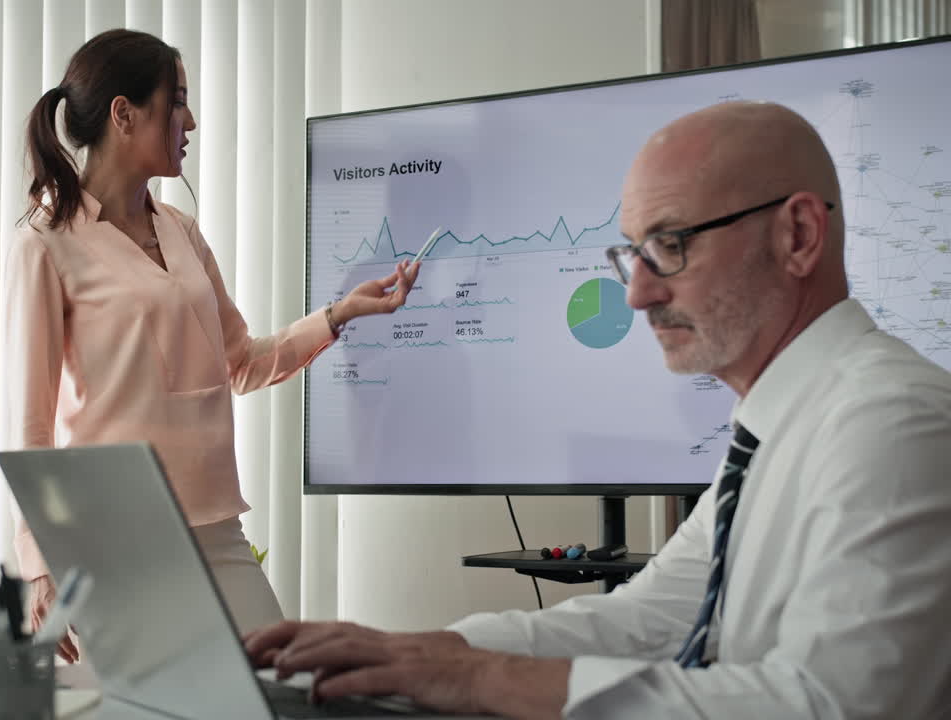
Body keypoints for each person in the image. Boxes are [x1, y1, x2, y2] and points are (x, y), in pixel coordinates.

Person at [244, 101, 951, 719]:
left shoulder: (890, 426)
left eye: (670, 245)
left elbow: (833, 706)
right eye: (633, 253)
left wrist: (474, 676)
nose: (637, 294)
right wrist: (422, 652)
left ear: (796, 235)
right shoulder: (778, 428)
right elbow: (648, 619)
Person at [3, 27, 420, 660]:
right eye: (177, 101)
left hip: (214, 523)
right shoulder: (45, 241)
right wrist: (39, 561)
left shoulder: (182, 232)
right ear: (124, 113)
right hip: (113, 537)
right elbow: (30, 423)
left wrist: (340, 314)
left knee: (278, 683)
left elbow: (242, 363)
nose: (190, 119)